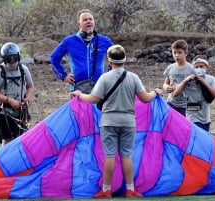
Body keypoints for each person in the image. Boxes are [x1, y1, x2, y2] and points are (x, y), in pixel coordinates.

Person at [72, 45, 162, 198]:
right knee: (126, 155)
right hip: (128, 122)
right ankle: (130, 189)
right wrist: (155, 92)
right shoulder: (133, 77)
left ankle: (106, 190)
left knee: (110, 156)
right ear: (124, 59)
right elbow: (145, 99)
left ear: (109, 61)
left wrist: (80, 94)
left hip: (109, 122)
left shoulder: (105, 78)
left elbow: (94, 99)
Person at [50, 9, 113, 94]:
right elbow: (54, 58)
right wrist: (64, 76)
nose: (88, 21)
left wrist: (109, 76)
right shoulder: (69, 41)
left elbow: (117, 57)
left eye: (90, 19)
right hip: (78, 89)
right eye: (85, 20)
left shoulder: (104, 41)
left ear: (94, 22)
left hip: (100, 89)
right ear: (79, 24)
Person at [0, 42, 34, 146]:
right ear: (5, 59)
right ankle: (5, 160)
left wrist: (27, 99)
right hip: (4, 110)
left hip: (20, 110)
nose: (12, 63)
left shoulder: (24, 69)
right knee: (7, 139)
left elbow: (30, 87)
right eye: (9, 59)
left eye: (14, 59)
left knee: (22, 137)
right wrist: (9, 101)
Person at [173, 56, 215, 131]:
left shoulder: (210, 79)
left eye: (201, 66)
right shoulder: (189, 80)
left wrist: (204, 82)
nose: (199, 69)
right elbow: (175, 94)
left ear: (206, 67)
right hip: (192, 117)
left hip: (205, 117)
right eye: (196, 67)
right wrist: (185, 81)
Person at [163, 39, 195, 116]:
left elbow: (195, 88)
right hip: (171, 103)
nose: (177, 55)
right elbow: (165, 83)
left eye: (180, 52)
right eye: (174, 52)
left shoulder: (191, 69)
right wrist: (166, 87)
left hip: (186, 105)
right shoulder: (170, 67)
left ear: (186, 53)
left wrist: (180, 86)